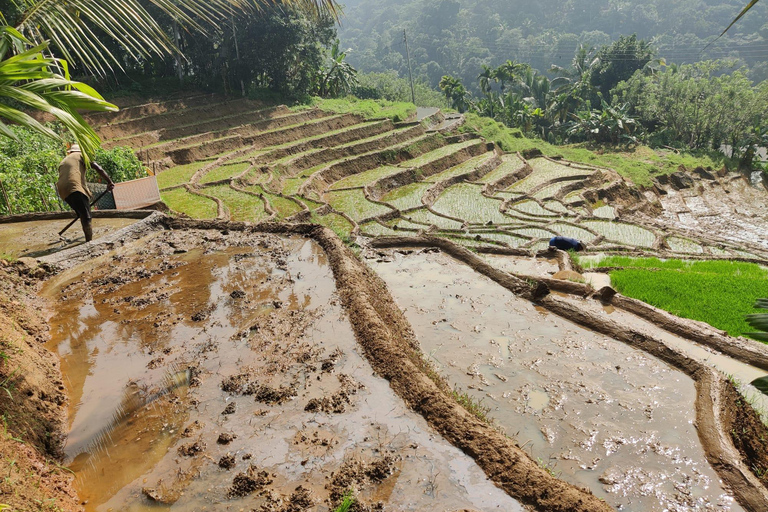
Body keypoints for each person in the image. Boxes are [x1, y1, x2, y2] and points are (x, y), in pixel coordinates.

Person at [56, 144, 114, 242]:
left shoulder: (64, 160)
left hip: (62, 190)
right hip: (74, 187)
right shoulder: (81, 155)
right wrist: (109, 182)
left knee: (82, 213)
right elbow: (98, 168)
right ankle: (89, 244)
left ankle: (87, 237)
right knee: (87, 217)